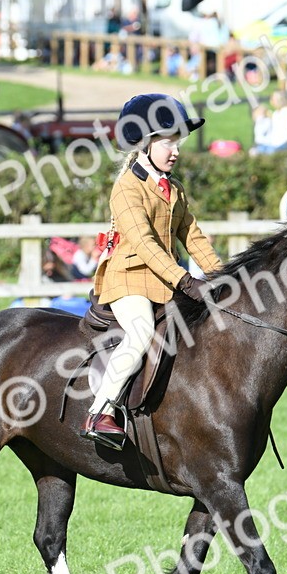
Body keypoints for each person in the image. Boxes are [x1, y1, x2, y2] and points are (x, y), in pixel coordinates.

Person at [82, 93, 223, 449]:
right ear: (144, 144)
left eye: (178, 142)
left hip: (164, 280)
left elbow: (193, 236)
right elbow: (145, 243)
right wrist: (186, 280)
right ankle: (101, 411)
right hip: (128, 277)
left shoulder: (174, 189)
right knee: (142, 332)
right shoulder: (126, 188)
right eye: (167, 142)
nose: (175, 150)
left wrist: (224, 278)